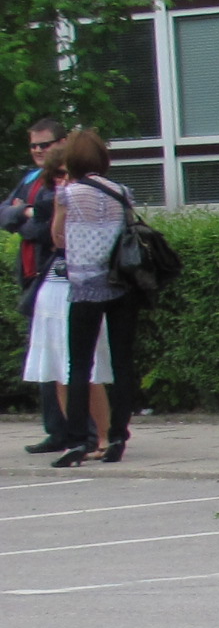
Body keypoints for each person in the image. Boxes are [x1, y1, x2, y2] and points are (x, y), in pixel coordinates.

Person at [8, 120, 108, 455]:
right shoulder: (31, 179)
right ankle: (61, 432)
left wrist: (27, 215)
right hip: (42, 280)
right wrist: (28, 214)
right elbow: (6, 215)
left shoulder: (80, 191)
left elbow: (48, 232)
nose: (38, 151)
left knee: (80, 364)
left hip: (75, 281)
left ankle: (94, 434)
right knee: (50, 364)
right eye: (33, 146)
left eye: (45, 144)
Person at [50, 128, 139, 467]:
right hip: (121, 283)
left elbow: (57, 237)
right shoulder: (122, 192)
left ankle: (76, 442)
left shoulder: (68, 194)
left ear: (71, 160)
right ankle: (117, 436)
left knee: (79, 364)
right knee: (122, 362)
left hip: (85, 284)